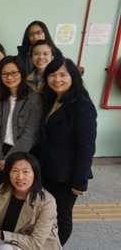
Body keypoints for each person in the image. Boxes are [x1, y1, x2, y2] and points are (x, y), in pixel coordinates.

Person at [38, 57, 97, 246]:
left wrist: (80, 181)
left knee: (61, 216)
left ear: (73, 76)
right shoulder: (51, 99)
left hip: (66, 175)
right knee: (45, 212)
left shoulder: (83, 106)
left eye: (63, 75)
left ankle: (56, 247)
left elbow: (87, 147)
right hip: (46, 168)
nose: (57, 79)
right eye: (52, 75)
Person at [0, 152, 61, 250]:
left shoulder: (47, 202)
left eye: (26, 172)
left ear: (35, 174)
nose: (20, 177)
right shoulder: (5, 189)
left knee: (6, 248)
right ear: (8, 173)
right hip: (6, 238)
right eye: (15, 170)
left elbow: (35, 243)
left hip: (31, 246)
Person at [0, 56, 42, 177]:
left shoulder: (34, 98)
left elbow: (30, 134)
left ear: (22, 73)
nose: (9, 77)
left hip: (24, 153)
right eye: (5, 74)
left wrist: (9, 159)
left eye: (14, 73)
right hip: (1, 152)